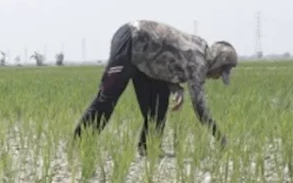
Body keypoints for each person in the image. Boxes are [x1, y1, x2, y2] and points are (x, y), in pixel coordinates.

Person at [74, 20, 237, 153]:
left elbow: (167, 59)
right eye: (220, 72)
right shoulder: (199, 63)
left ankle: (148, 147)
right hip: (131, 39)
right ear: (217, 61)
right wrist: (220, 138)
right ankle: (79, 143)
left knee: (159, 103)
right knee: (108, 98)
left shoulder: (200, 47)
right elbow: (200, 109)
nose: (216, 77)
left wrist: (175, 87)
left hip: (145, 59)